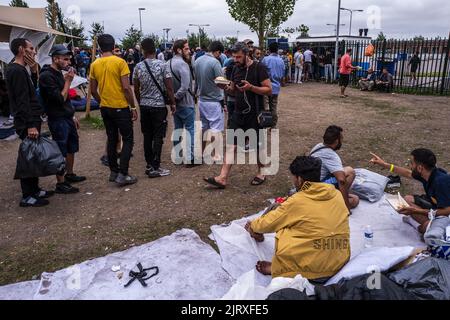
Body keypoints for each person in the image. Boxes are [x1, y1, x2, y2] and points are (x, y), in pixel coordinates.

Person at [245, 156, 350, 282]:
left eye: (293, 177)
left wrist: (253, 226)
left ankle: (278, 268)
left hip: (313, 272)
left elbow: (268, 223)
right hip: (339, 262)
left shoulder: (297, 201)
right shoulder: (336, 194)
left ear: (299, 179)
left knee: (284, 228)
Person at [204, 42, 272, 189]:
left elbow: (268, 89)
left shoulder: (259, 68)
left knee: (257, 145)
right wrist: (225, 87)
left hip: (254, 114)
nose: (235, 59)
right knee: (231, 145)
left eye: (239, 57)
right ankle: (222, 178)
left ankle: (262, 172)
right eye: (234, 56)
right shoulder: (234, 68)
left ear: (247, 54)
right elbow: (233, 90)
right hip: (238, 112)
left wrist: (251, 87)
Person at [6, 38, 52, 207]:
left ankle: (35, 189)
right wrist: (30, 124)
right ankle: (27, 195)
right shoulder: (16, 71)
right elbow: (22, 100)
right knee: (28, 156)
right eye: (31, 48)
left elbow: (31, 90)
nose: (34, 51)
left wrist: (33, 71)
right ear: (21, 50)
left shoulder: (21, 69)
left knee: (34, 154)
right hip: (27, 121)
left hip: (31, 118)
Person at [90, 34, 138, 186]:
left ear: (99, 47)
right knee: (128, 139)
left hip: (105, 108)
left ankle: (114, 171)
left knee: (112, 139)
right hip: (120, 107)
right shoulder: (120, 62)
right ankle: (123, 174)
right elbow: (126, 87)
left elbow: (92, 89)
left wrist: (101, 101)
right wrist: (133, 106)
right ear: (113, 45)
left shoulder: (94, 64)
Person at [39, 44, 86, 194]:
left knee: (72, 147)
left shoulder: (59, 72)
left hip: (66, 116)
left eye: (68, 59)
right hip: (57, 119)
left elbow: (66, 100)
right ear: (55, 58)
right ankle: (60, 182)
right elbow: (60, 98)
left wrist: (72, 115)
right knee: (61, 150)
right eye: (65, 59)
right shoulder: (47, 76)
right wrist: (68, 82)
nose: (68, 62)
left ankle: (69, 174)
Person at [370, 149, 450, 234]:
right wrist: (384, 164)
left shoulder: (441, 182)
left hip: (446, 214)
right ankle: (426, 222)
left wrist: (415, 211)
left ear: (420, 168)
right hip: (436, 205)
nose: (410, 166)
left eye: (412, 163)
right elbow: (408, 173)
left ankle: (418, 225)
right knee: (407, 200)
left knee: (427, 229)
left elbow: (447, 211)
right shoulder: (428, 173)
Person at [133, 38, 176, 178]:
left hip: (145, 106)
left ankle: (149, 164)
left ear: (143, 51)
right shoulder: (163, 65)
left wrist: (140, 102)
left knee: (147, 135)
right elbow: (169, 87)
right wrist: (173, 103)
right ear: (155, 50)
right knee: (158, 136)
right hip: (158, 106)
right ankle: (155, 166)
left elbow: (136, 88)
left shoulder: (138, 67)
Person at [310, 125, 360, 210]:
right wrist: (346, 205)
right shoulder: (331, 155)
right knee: (355, 199)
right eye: (341, 139)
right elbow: (341, 180)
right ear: (337, 141)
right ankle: (335, 202)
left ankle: (334, 198)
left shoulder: (318, 146)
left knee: (344, 171)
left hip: (310, 186)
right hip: (318, 189)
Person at [193, 41, 226, 162]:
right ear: (217, 51)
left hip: (202, 100)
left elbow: (195, 81)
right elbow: (221, 83)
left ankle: (201, 153)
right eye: (219, 53)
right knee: (216, 129)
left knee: (205, 128)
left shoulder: (197, 61)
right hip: (214, 100)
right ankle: (216, 154)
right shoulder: (215, 62)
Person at [170, 39, 198, 167]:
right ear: (179, 50)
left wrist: (172, 100)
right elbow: (185, 86)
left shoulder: (168, 63)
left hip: (175, 104)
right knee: (190, 130)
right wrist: (176, 97)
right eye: (186, 49)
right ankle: (190, 158)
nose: (189, 51)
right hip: (185, 102)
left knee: (177, 130)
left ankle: (177, 156)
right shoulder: (183, 65)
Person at [262, 42, 285, 128]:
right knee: (273, 107)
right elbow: (283, 74)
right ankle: (273, 125)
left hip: (266, 86)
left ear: (269, 49)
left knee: (265, 106)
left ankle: (264, 124)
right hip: (276, 87)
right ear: (277, 50)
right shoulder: (281, 60)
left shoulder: (266, 59)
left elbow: (262, 72)